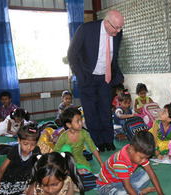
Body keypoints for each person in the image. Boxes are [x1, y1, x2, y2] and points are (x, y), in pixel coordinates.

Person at [67, 10, 124, 152]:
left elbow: (114, 56)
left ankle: (108, 140)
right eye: (116, 28)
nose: (118, 31)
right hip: (88, 78)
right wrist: (80, 75)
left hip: (106, 78)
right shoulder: (86, 30)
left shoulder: (118, 33)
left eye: (120, 28)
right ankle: (98, 142)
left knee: (105, 110)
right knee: (91, 112)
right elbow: (71, 54)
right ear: (106, 22)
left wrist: (116, 75)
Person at [97, 131, 164, 195]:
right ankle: (139, 192)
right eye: (142, 158)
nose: (144, 160)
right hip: (107, 187)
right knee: (122, 193)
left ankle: (136, 191)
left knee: (146, 175)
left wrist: (161, 193)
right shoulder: (120, 163)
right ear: (131, 149)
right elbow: (127, 186)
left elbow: (151, 173)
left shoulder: (137, 152)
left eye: (146, 158)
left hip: (123, 181)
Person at [0, 123, 41, 194]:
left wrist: (32, 184)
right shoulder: (15, 150)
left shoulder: (36, 151)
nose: (29, 147)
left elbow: (40, 169)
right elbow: (2, 169)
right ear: (19, 140)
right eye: (25, 144)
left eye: (33, 144)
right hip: (10, 176)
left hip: (24, 179)